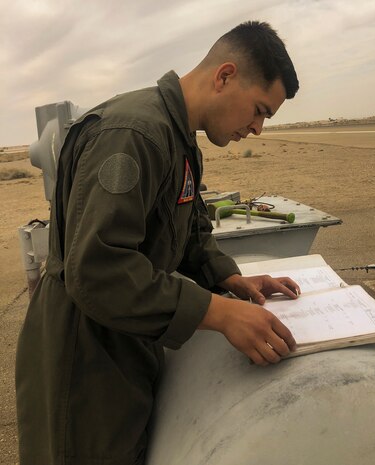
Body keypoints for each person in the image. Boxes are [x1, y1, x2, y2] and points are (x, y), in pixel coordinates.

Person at [16, 20, 300, 465]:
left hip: (128, 339)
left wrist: (229, 279)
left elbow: (187, 233)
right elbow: (96, 269)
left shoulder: (180, 140)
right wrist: (218, 312)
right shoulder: (134, 135)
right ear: (225, 76)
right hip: (86, 355)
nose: (258, 128)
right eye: (260, 110)